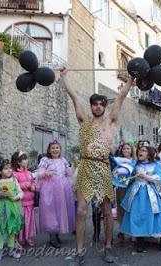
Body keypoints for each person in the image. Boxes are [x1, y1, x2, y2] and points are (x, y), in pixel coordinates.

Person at [58, 67, 134, 265]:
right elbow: (74, 96)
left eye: (101, 104)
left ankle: (108, 247)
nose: (99, 107)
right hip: (85, 168)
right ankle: (79, 250)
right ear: (91, 106)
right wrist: (64, 76)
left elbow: (121, 97)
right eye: (95, 104)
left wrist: (131, 78)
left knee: (107, 211)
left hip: (102, 168)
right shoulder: (84, 121)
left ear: (104, 107)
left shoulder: (111, 121)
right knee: (82, 211)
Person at [121, 146, 161, 252]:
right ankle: (140, 241)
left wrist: (147, 177)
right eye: (139, 150)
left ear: (149, 154)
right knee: (137, 215)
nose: (140, 151)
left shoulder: (156, 164)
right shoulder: (135, 164)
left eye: (143, 150)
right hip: (136, 193)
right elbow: (126, 174)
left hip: (151, 193)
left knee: (158, 214)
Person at [37, 139, 76, 248]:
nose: (55, 150)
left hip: (63, 189)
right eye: (53, 148)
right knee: (51, 212)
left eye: (57, 148)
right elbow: (39, 173)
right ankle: (52, 237)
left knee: (60, 211)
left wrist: (74, 166)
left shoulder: (63, 160)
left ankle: (57, 233)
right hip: (50, 190)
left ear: (60, 149)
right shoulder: (45, 160)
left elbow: (69, 173)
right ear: (49, 150)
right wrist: (46, 172)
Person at [0, 159, 24, 262]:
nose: (9, 170)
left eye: (10, 168)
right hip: (0, 209)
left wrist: (16, 197)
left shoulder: (14, 180)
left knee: (12, 229)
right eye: (6, 168)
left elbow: (21, 192)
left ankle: (11, 250)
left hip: (13, 208)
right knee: (1, 230)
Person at [12, 151, 38, 247]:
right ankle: (17, 240)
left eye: (26, 158)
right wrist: (24, 185)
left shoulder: (29, 173)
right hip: (20, 203)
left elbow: (34, 183)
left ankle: (27, 237)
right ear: (18, 162)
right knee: (20, 221)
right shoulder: (15, 174)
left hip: (30, 202)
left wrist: (33, 187)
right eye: (24, 159)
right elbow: (14, 185)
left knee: (28, 221)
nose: (26, 161)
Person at [112, 142, 136, 242]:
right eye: (124, 149)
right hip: (120, 187)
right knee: (120, 208)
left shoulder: (134, 161)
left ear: (131, 150)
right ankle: (121, 230)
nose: (126, 150)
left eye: (128, 149)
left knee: (130, 208)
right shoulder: (118, 161)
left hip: (131, 187)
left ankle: (131, 230)